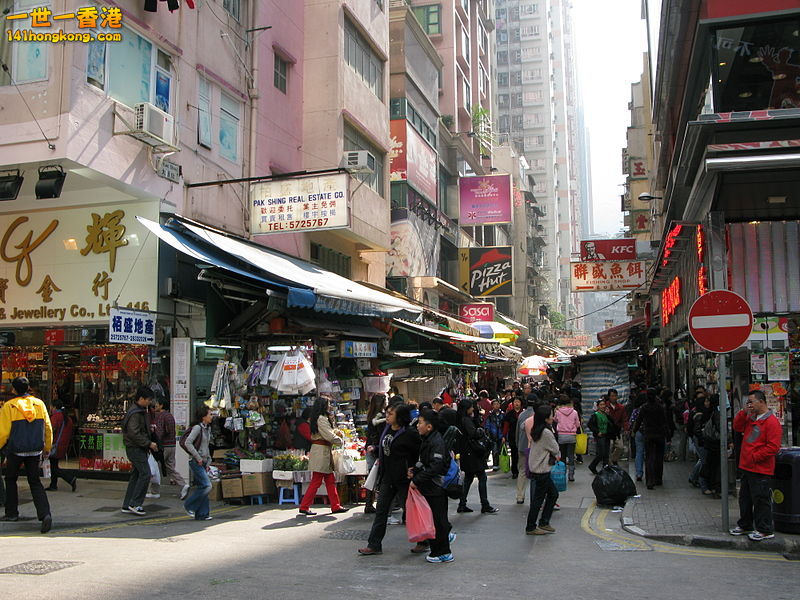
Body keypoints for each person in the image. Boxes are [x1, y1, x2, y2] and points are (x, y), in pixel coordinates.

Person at [358, 403, 420, 556]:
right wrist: (376, 449)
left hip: (404, 479)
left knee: (412, 511)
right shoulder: (386, 429)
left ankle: (424, 540)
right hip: (387, 477)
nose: (387, 416)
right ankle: (374, 544)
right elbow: (388, 449)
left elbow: (419, 453)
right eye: (387, 413)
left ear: (400, 417)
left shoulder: (410, 433)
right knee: (381, 511)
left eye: (391, 414)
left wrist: (414, 469)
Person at [0, 377, 53, 533]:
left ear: (14, 390)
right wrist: (47, 446)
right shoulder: (39, 404)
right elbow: (48, 427)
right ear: (28, 387)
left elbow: (3, 432)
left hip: (16, 450)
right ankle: (45, 514)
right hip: (35, 450)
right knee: (35, 482)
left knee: (10, 479)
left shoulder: (9, 406)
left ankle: (11, 513)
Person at [730, 390, 782, 541]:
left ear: (761, 402)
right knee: (745, 498)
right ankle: (745, 524)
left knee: (761, 499)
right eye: (748, 402)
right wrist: (743, 412)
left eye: (751, 402)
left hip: (760, 468)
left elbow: (773, 447)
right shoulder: (750, 418)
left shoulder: (771, 422)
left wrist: (755, 457)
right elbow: (737, 427)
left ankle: (765, 529)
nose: (749, 405)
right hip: (747, 466)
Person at [409, 409, 453, 564]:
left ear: (429, 427)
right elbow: (425, 462)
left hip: (436, 487)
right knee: (435, 520)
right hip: (429, 487)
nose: (417, 425)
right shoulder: (428, 439)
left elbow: (435, 466)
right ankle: (438, 550)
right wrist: (415, 471)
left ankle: (443, 552)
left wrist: (417, 479)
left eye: (420, 422)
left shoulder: (436, 442)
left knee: (438, 521)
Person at [298, 397, 349, 516]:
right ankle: (305, 506)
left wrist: (336, 434)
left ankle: (334, 505)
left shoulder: (320, 418)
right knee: (318, 480)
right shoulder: (321, 419)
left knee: (329, 480)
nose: (330, 405)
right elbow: (328, 435)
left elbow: (328, 433)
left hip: (322, 451)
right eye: (328, 403)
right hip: (321, 451)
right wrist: (340, 440)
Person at [456, 399, 498, 514]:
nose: (472, 409)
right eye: (470, 407)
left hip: (467, 453)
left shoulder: (460, 420)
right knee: (482, 477)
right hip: (472, 453)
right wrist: (480, 431)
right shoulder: (466, 420)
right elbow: (473, 434)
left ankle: (462, 504)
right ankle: (485, 504)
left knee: (469, 478)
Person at [121, 386, 158, 516]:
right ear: (141, 399)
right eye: (148, 400)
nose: (150, 402)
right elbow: (134, 433)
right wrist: (149, 443)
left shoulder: (139, 411)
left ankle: (127, 504)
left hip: (136, 447)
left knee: (136, 475)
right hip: (135, 448)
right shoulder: (136, 413)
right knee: (145, 474)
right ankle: (135, 503)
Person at [525, 405, 560, 535]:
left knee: (552, 494)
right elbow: (555, 449)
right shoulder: (546, 433)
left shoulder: (539, 429)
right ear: (545, 418)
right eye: (551, 415)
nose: (553, 417)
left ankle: (544, 522)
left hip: (538, 468)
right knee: (539, 499)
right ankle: (531, 526)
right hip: (541, 470)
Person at [149, 398, 188, 500]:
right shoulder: (170, 415)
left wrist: (155, 442)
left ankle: (154, 491)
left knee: (154, 468)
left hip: (163, 446)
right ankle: (183, 485)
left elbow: (159, 432)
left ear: (161, 405)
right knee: (170, 468)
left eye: (157, 404)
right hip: (172, 445)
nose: (155, 406)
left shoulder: (161, 416)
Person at [182, 405, 214, 521]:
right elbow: (188, 443)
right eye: (210, 414)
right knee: (207, 485)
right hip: (196, 462)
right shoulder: (197, 428)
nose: (212, 416)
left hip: (204, 461)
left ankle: (202, 514)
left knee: (202, 486)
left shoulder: (207, 428)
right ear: (203, 416)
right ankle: (189, 505)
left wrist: (208, 460)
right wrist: (198, 457)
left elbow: (206, 446)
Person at [633, 390, 668, 490]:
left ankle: (650, 481)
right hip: (659, 435)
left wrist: (634, 431)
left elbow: (639, 421)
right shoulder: (660, 407)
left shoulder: (644, 407)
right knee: (659, 458)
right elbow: (665, 422)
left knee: (649, 458)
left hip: (648, 435)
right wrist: (668, 436)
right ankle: (658, 479)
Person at [363, 394, 387, 514]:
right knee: (380, 476)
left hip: (369, 447)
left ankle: (368, 503)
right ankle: (377, 503)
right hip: (376, 449)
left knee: (372, 475)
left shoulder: (370, 415)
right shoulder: (381, 419)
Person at [46, 404, 77, 493]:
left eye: (51, 407)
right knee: (54, 464)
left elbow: (51, 429)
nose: (51, 409)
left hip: (55, 445)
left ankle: (70, 479)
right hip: (63, 445)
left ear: (55, 407)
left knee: (54, 467)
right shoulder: (68, 418)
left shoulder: (56, 417)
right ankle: (53, 485)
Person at [514, 395, 536, 503]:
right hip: (534, 448)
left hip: (522, 447)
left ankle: (520, 496)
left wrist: (518, 444)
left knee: (522, 471)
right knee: (535, 473)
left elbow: (517, 432)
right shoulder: (537, 415)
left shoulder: (521, 415)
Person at [554, 394, 580, 482]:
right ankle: (571, 475)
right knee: (571, 455)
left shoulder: (558, 412)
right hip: (572, 435)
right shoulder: (574, 412)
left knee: (563, 456)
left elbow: (555, 420)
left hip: (561, 435)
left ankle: (563, 474)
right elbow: (578, 424)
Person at [587, 398, 612, 474]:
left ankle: (605, 469)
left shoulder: (606, 414)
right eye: (601, 405)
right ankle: (592, 465)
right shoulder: (595, 415)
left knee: (606, 454)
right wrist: (597, 432)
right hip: (600, 436)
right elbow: (590, 425)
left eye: (604, 404)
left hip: (606, 435)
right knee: (601, 453)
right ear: (598, 406)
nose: (603, 406)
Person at [502, 397, 523, 479]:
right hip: (512, 436)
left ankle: (523, 470)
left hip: (522, 436)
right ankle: (514, 471)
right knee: (514, 455)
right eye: (515, 402)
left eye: (518, 402)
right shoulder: (509, 414)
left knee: (523, 454)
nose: (517, 403)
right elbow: (506, 426)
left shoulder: (523, 413)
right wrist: (504, 436)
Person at [628, 394, 647, 482]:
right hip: (649, 433)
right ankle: (650, 472)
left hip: (639, 432)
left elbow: (631, 421)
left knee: (639, 452)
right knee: (649, 453)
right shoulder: (648, 408)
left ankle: (639, 473)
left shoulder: (636, 410)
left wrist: (631, 431)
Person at [606, 389, 627, 465]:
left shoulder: (621, 407)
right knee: (610, 446)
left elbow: (624, 419)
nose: (614, 397)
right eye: (612, 396)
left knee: (620, 447)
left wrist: (625, 428)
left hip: (617, 431)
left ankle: (613, 459)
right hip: (608, 431)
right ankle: (608, 463)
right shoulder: (605, 406)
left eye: (615, 396)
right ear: (609, 397)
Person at [485, 399, 504, 471]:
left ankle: (500, 463)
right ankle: (495, 464)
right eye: (495, 404)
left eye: (497, 404)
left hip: (501, 435)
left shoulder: (502, 414)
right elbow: (487, 425)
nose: (496, 406)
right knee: (494, 450)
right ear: (492, 406)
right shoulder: (490, 415)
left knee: (500, 450)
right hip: (493, 435)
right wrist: (488, 434)